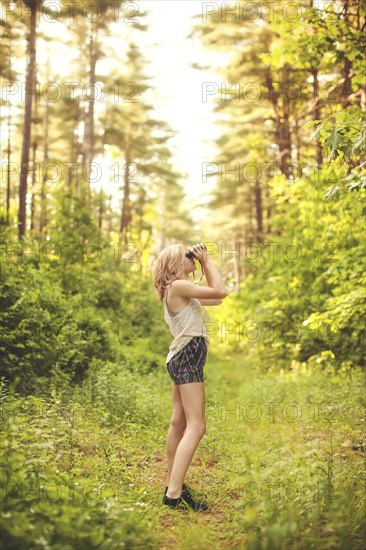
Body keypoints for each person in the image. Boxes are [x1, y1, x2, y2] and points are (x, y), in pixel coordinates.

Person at [153, 242, 228, 511]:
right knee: (197, 426)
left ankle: (174, 483)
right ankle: (174, 493)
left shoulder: (178, 289)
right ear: (175, 262)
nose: (192, 258)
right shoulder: (178, 286)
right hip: (187, 356)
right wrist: (206, 261)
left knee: (179, 423)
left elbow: (218, 297)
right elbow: (220, 289)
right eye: (188, 255)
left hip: (181, 356)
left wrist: (205, 264)